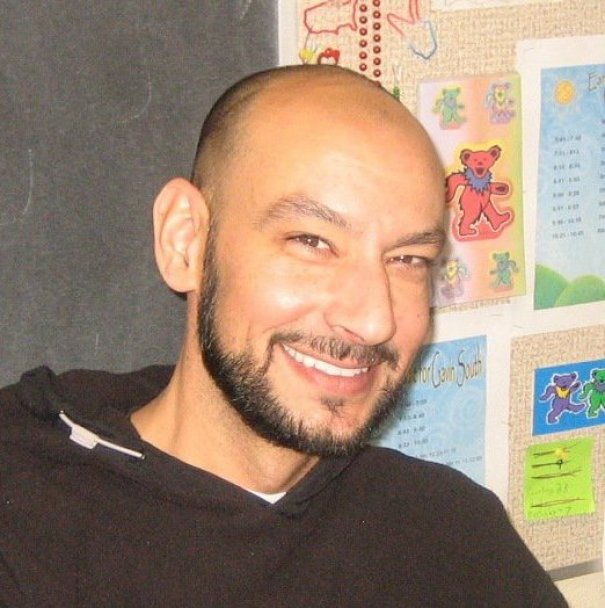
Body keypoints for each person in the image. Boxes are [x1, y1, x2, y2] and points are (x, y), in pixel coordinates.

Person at [0, 65, 566, 607]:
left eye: (408, 259)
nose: (374, 321)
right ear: (186, 241)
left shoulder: (453, 536)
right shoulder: (25, 520)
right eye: (312, 242)